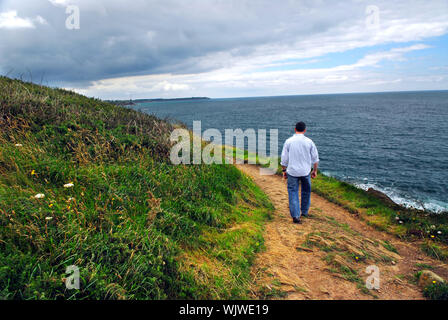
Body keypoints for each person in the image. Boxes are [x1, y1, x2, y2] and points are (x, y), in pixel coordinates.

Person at [280, 121, 319, 224]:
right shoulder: (309, 142)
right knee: (306, 191)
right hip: (306, 171)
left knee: (293, 192)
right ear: (305, 130)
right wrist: (314, 171)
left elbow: (284, 159)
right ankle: (304, 212)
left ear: (295, 129)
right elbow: (315, 159)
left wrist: (284, 170)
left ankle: (296, 216)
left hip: (292, 171)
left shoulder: (288, 141)